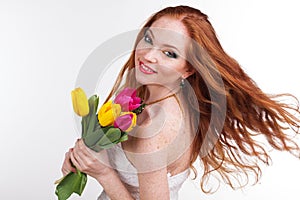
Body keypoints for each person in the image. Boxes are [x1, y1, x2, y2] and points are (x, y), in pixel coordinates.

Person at [61, 5, 300, 200]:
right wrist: (85, 155)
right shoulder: (148, 92)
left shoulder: (155, 127)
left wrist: (104, 173)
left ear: (188, 69)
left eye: (170, 53)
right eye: (148, 38)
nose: (149, 55)